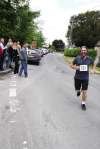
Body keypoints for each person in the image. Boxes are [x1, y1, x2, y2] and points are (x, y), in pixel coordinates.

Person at [71, 46, 96, 110]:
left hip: (85, 78)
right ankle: (78, 91)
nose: (83, 51)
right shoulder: (77, 58)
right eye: (82, 50)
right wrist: (75, 67)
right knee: (77, 89)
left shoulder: (89, 59)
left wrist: (93, 69)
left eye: (85, 50)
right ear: (80, 51)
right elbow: (71, 65)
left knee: (84, 91)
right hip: (77, 77)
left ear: (86, 51)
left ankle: (83, 103)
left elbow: (94, 64)